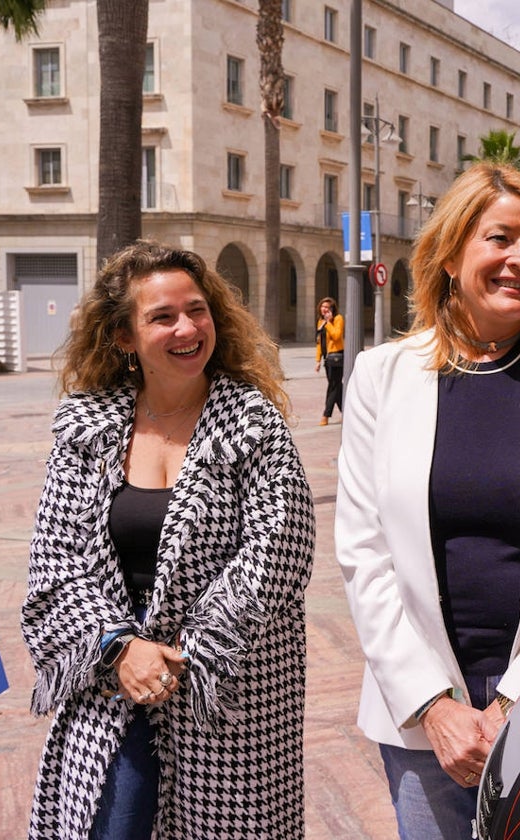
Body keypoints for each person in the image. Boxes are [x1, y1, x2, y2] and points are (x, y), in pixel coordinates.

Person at [335, 162, 520, 840]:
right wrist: (435, 706)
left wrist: (512, 701)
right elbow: (363, 554)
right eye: (500, 238)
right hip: (423, 723)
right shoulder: (382, 377)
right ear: (449, 253)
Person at [21, 241, 316, 839]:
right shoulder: (85, 426)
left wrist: (188, 653)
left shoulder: (252, 423)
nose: (187, 328)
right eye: (162, 316)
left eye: (197, 310)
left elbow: (280, 550)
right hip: (111, 688)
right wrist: (120, 648)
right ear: (125, 337)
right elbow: (56, 561)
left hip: (228, 699)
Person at [314, 296, 345, 425]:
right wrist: (318, 360)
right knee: (337, 387)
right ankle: (347, 412)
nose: (324, 309)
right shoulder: (321, 321)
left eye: (327, 307)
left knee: (333, 386)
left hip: (337, 356)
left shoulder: (338, 319)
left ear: (332, 309)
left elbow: (337, 336)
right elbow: (319, 343)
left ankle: (326, 415)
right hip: (327, 359)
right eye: (322, 306)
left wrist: (329, 323)